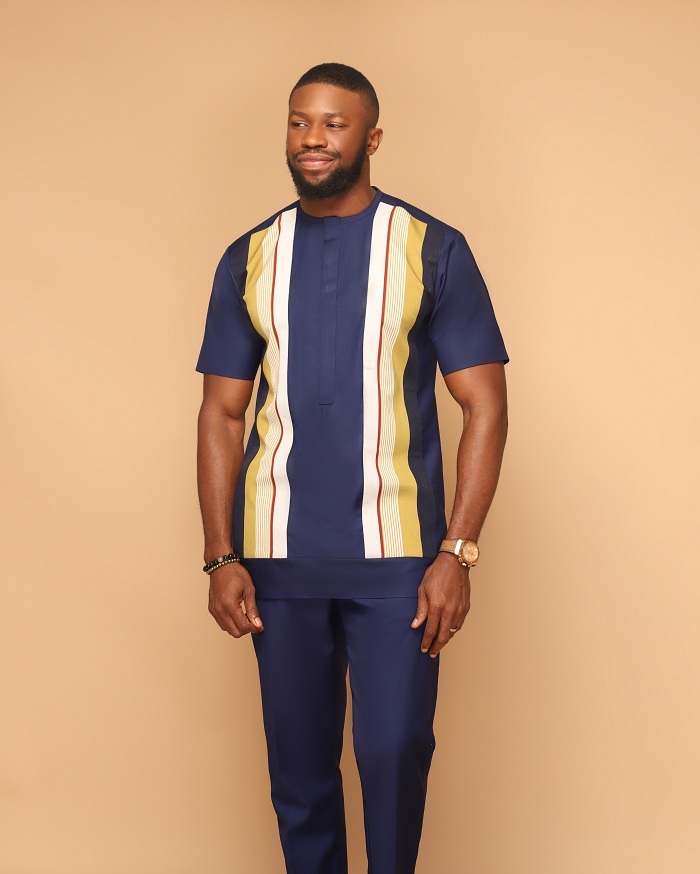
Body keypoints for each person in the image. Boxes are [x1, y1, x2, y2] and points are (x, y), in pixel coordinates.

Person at [195, 62, 509, 874]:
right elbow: (221, 412)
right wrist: (221, 555)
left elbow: (485, 405)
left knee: (393, 751)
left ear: (371, 139)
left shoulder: (433, 248)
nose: (313, 138)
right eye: (300, 121)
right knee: (298, 773)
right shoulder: (249, 256)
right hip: (278, 556)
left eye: (334, 124)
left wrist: (457, 553)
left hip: (400, 559)